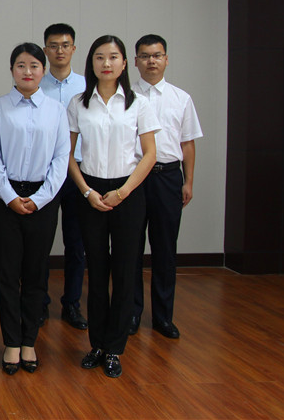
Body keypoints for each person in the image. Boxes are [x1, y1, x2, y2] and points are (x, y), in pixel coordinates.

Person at [67, 35, 160, 379]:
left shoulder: (139, 104)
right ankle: (97, 343)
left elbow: (150, 154)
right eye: (99, 57)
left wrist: (123, 192)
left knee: (124, 271)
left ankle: (115, 348)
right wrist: (87, 191)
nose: (106, 63)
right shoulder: (79, 103)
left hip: (128, 192)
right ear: (91, 63)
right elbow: (68, 155)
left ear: (124, 63)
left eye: (113, 57)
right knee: (96, 269)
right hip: (91, 191)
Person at [0, 44, 69, 375]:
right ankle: (11, 342)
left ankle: (29, 340)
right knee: (7, 273)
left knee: (36, 272)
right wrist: (10, 197)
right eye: (20, 65)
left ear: (43, 71)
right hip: (5, 199)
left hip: (43, 199)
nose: (27, 71)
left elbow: (61, 159)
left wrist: (41, 198)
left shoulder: (56, 110)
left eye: (34, 65)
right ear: (12, 71)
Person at [129, 34, 203, 339]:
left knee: (165, 249)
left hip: (168, 177)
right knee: (130, 249)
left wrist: (188, 181)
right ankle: (131, 313)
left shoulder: (181, 98)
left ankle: (163, 317)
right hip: (132, 178)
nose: (151, 61)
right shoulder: (125, 96)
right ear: (135, 61)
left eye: (157, 55)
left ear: (166, 59)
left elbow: (187, 143)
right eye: (145, 56)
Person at [40, 23, 89, 330]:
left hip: (78, 172)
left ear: (74, 48)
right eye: (53, 45)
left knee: (76, 243)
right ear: (45, 50)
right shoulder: (34, 83)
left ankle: (72, 303)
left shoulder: (87, 86)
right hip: (43, 173)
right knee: (40, 243)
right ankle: (39, 301)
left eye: (65, 45)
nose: (60, 50)